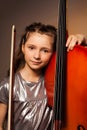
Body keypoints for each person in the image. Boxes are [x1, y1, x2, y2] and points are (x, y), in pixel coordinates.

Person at [0, 22, 86, 130]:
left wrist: (81, 38)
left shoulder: (55, 82)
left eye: (45, 50)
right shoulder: (8, 86)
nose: (37, 56)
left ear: (54, 52)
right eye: (31, 48)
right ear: (23, 47)